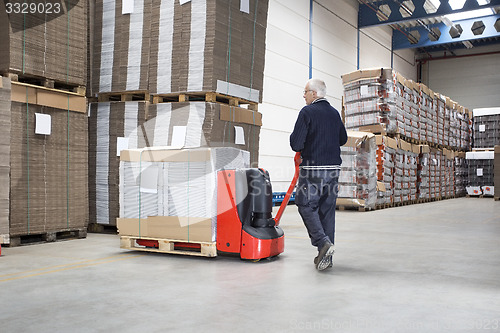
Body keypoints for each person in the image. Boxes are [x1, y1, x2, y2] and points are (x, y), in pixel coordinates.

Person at [290, 78, 348, 271]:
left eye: (305, 92)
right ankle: (326, 259)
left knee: (305, 204)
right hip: (333, 170)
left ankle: (323, 243)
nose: (304, 95)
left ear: (314, 93)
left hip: (313, 169)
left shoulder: (307, 112)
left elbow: (296, 144)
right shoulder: (334, 114)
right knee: (327, 211)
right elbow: (343, 138)